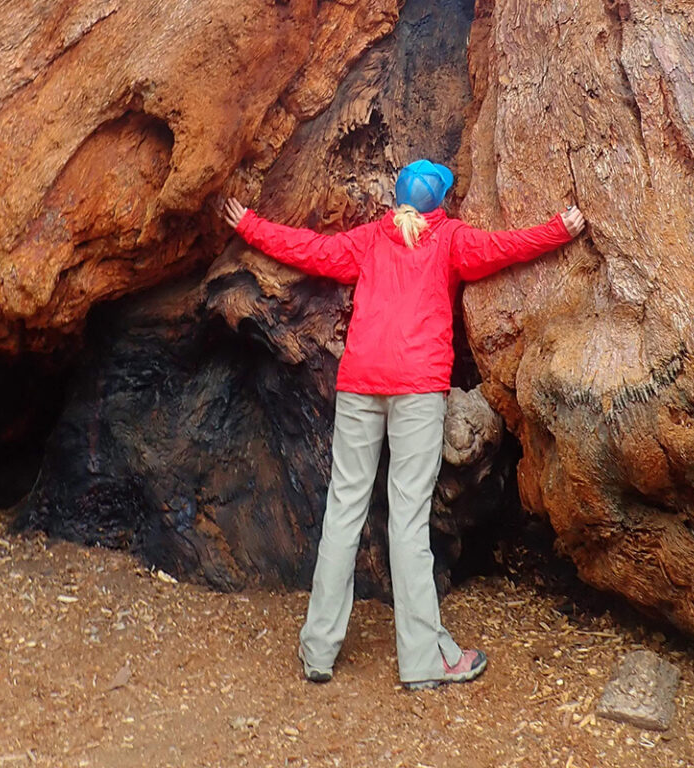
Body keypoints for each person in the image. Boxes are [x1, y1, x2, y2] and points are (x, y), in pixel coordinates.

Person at [222, 159, 586, 691]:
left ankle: (318, 650)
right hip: (417, 388)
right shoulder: (452, 241)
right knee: (409, 520)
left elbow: (309, 250)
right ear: (441, 199)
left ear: (399, 198)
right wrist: (561, 228)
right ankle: (423, 661)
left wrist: (249, 225)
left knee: (344, 509)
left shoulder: (370, 239)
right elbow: (507, 247)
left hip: (360, 383)